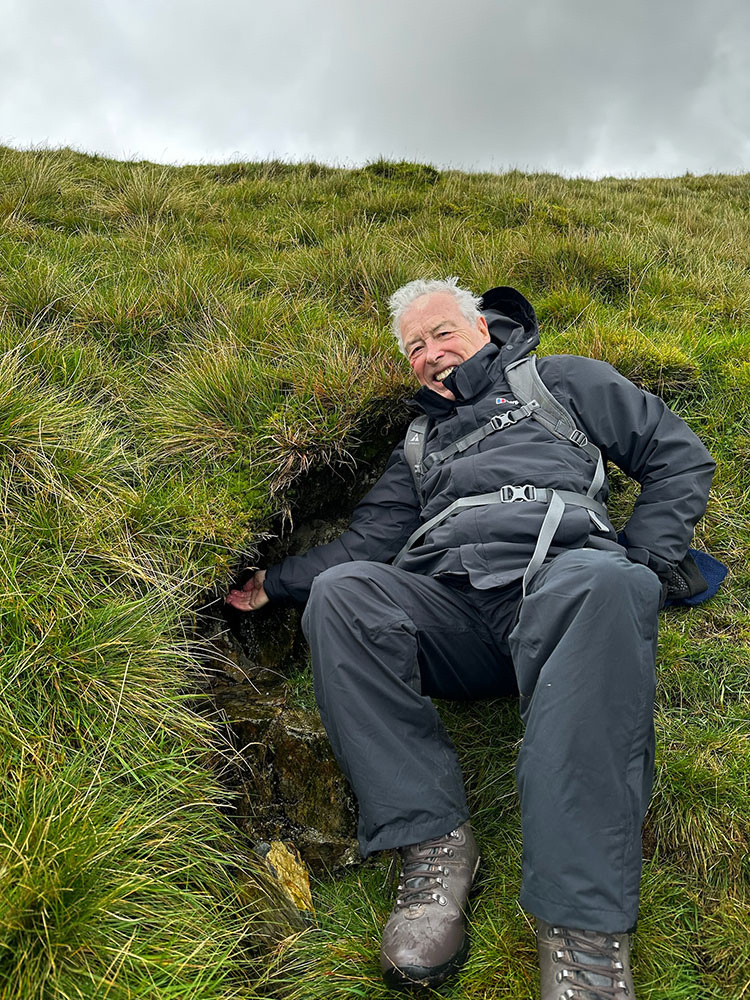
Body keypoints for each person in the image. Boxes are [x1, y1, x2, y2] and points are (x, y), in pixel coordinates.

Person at [226, 278, 715, 999]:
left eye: (441, 334)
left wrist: (639, 563)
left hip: (564, 591)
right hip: (453, 616)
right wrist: (279, 581)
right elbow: (364, 545)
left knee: (607, 585)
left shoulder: (561, 381)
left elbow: (678, 456)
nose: (428, 355)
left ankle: (581, 931)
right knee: (341, 596)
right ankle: (434, 847)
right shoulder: (419, 442)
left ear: (482, 327)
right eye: (414, 348)